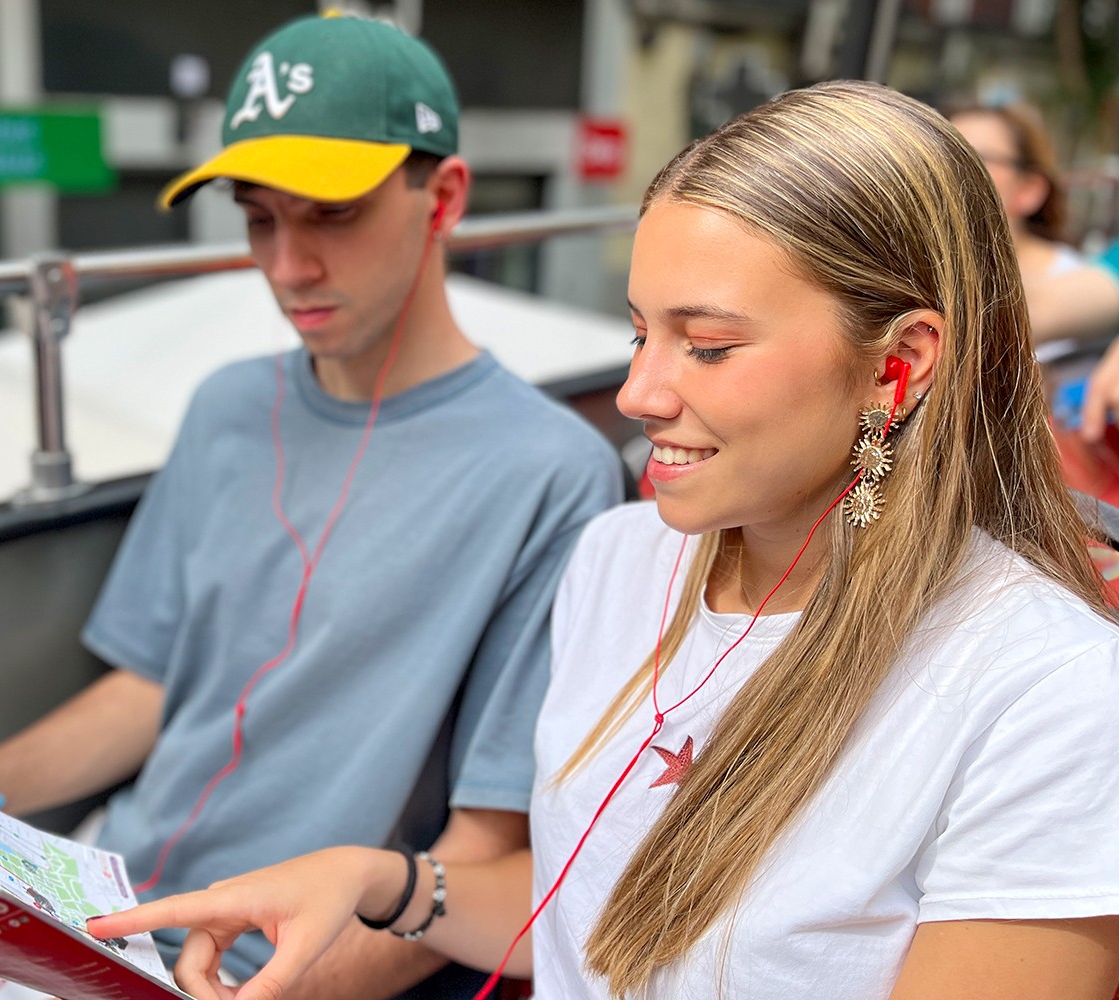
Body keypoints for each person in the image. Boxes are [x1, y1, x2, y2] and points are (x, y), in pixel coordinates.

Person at [90, 80, 1119, 1000]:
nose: (636, 394)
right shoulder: (617, 559)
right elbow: (578, 904)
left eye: (706, 346)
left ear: (897, 367)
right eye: (638, 333)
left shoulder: (1045, 693)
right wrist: (377, 879)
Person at [0, 13, 623, 1000]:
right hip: (83, 898)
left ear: (447, 196)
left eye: (331, 214)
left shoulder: (548, 473)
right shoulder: (226, 407)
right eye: (260, 219)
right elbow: (151, 688)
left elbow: (479, 856)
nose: (287, 266)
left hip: (255, 967)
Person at [948, 102, 1119, 347]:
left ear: (1029, 190)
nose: (946, 170)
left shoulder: (1067, 279)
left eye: (974, 159)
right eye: (939, 155)